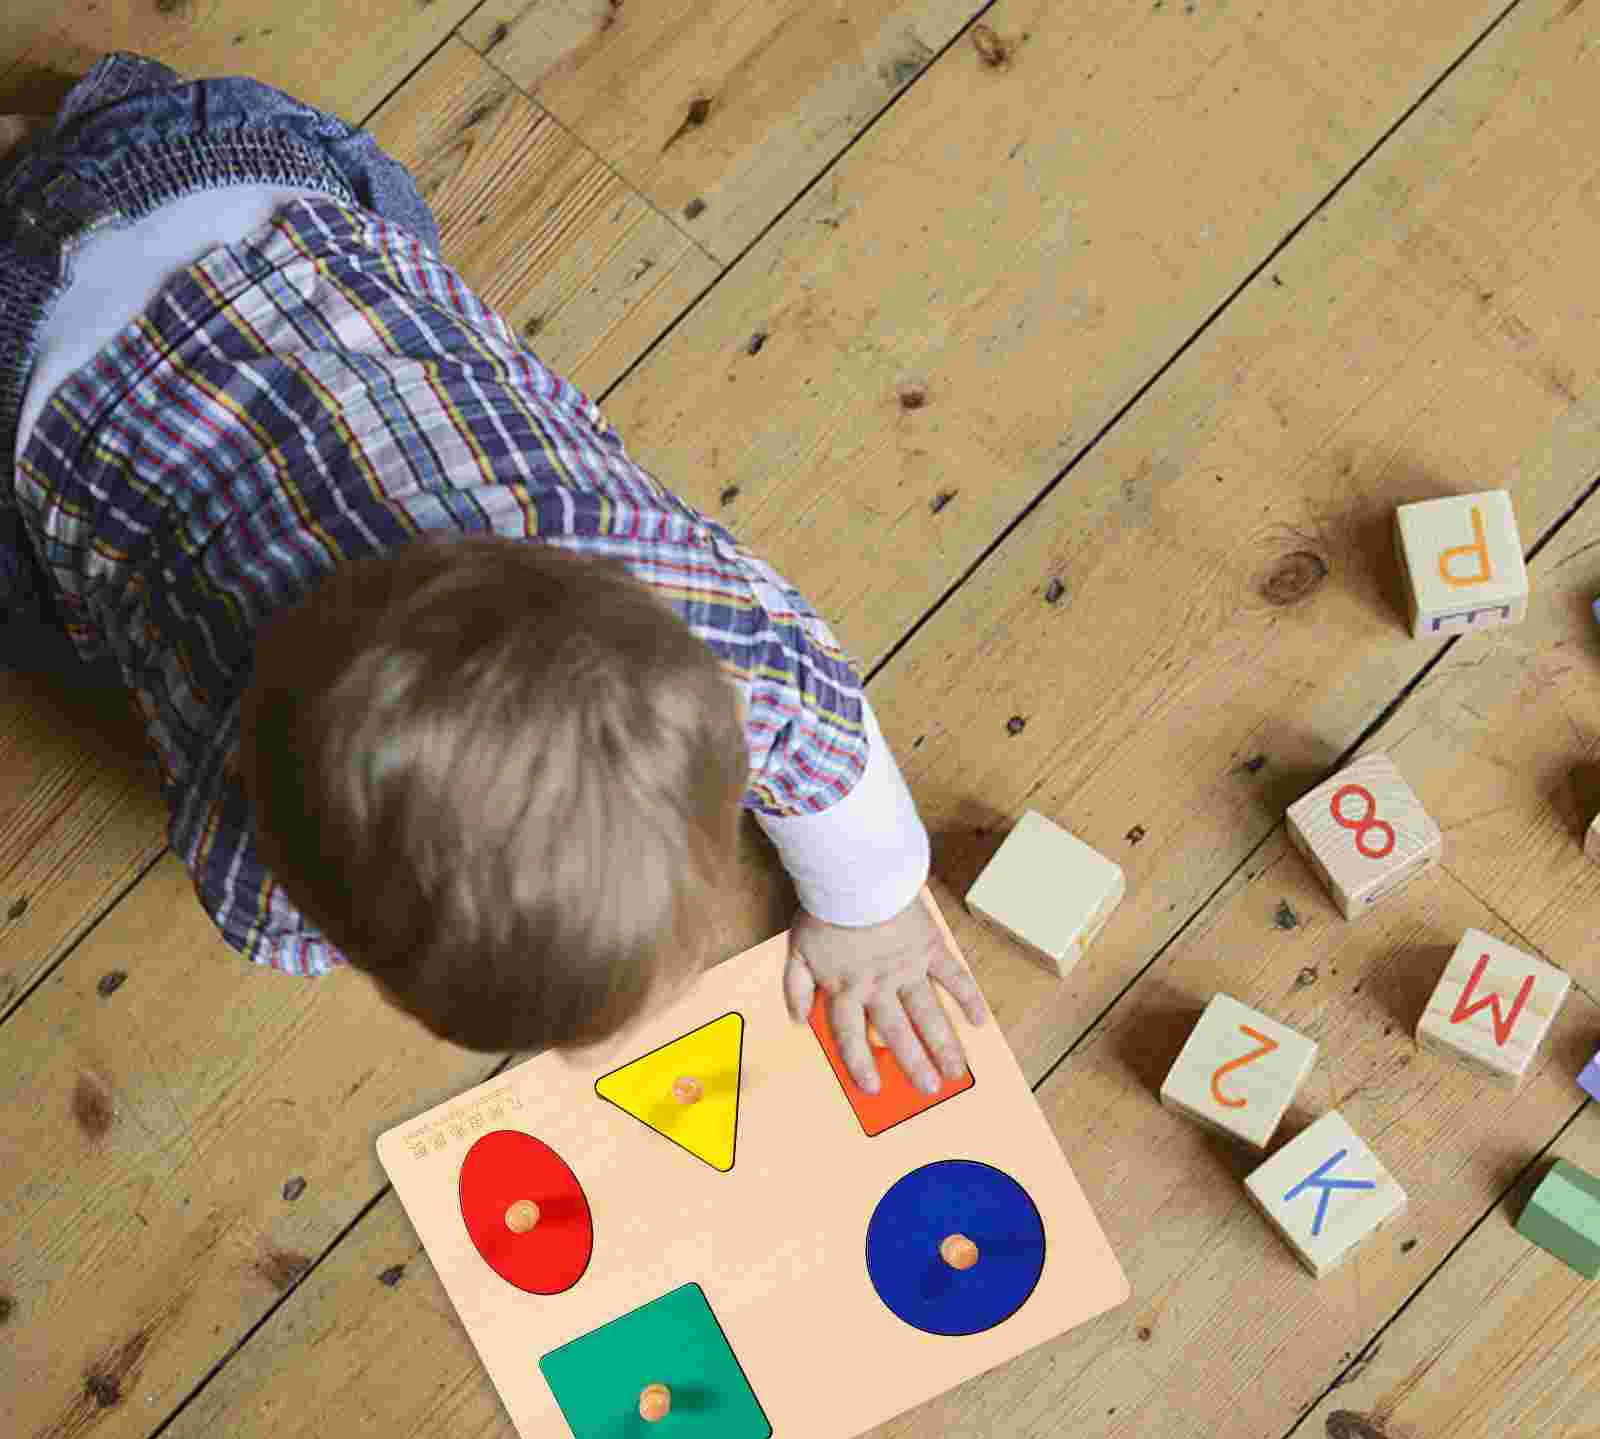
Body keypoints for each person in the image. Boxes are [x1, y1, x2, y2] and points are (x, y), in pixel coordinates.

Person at [0, 53, 987, 1094]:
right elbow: (822, 735)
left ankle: (50, 161)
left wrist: (873, 908)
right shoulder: (254, 867)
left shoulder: (698, 603)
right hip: (71, 330)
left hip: (240, 181)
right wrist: (868, 910)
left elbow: (819, 722)